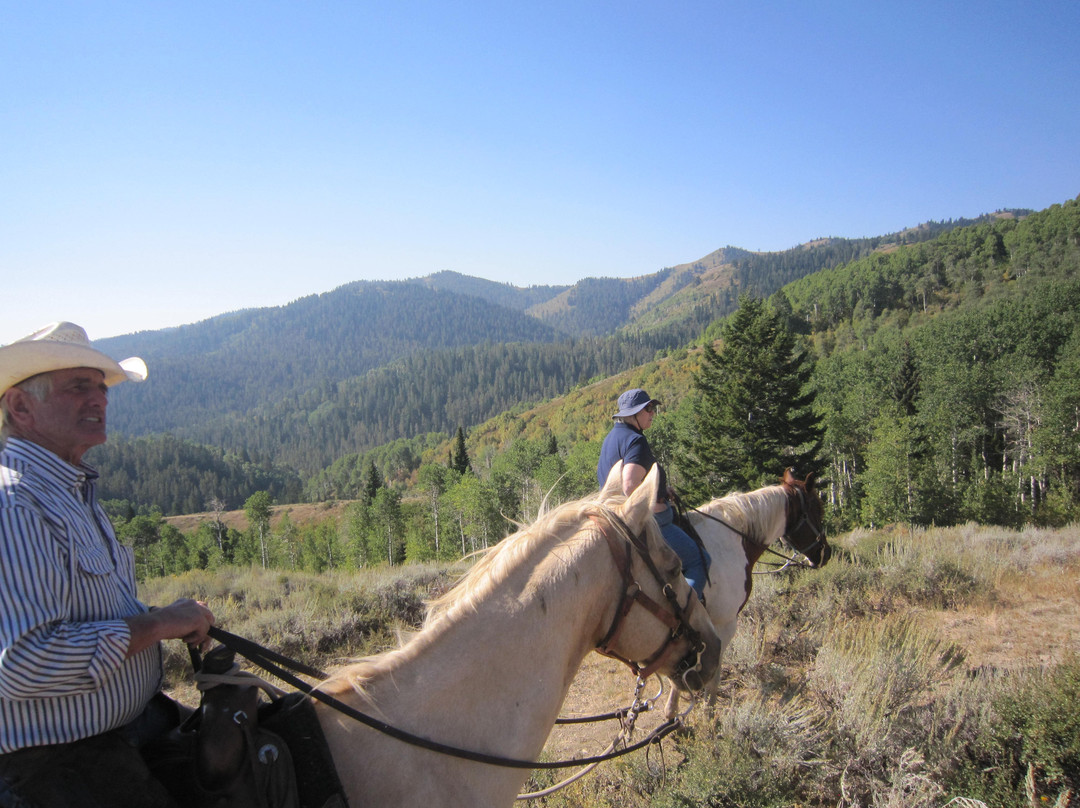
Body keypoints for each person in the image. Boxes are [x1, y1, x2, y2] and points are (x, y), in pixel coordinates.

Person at [0, 322, 216, 808]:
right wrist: (158, 624)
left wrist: (166, 617)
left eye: (101, 388)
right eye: (79, 387)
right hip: (58, 763)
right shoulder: (15, 505)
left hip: (126, 729)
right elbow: (25, 663)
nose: (100, 399)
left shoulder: (69, 492)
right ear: (19, 406)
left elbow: (91, 612)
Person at [597, 388, 710, 599]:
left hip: (615, 519)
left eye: (652, 408)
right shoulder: (636, 441)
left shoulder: (611, 439)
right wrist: (656, 507)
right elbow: (629, 484)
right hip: (650, 523)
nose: (652, 413)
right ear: (633, 414)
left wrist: (662, 490)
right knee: (700, 561)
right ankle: (687, 617)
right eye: (647, 409)